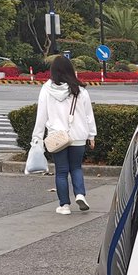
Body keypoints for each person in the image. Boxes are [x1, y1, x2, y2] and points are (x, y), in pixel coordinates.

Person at [33, 55, 96, 215]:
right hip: (78, 136)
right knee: (76, 167)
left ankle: (64, 206)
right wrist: (91, 135)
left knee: (61, 171)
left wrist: (37, 137)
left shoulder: (46, 89)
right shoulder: (80, 90)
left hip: (57, 137)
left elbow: (41, 115)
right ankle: (80, 194)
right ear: (70, 70)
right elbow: (89, 115)